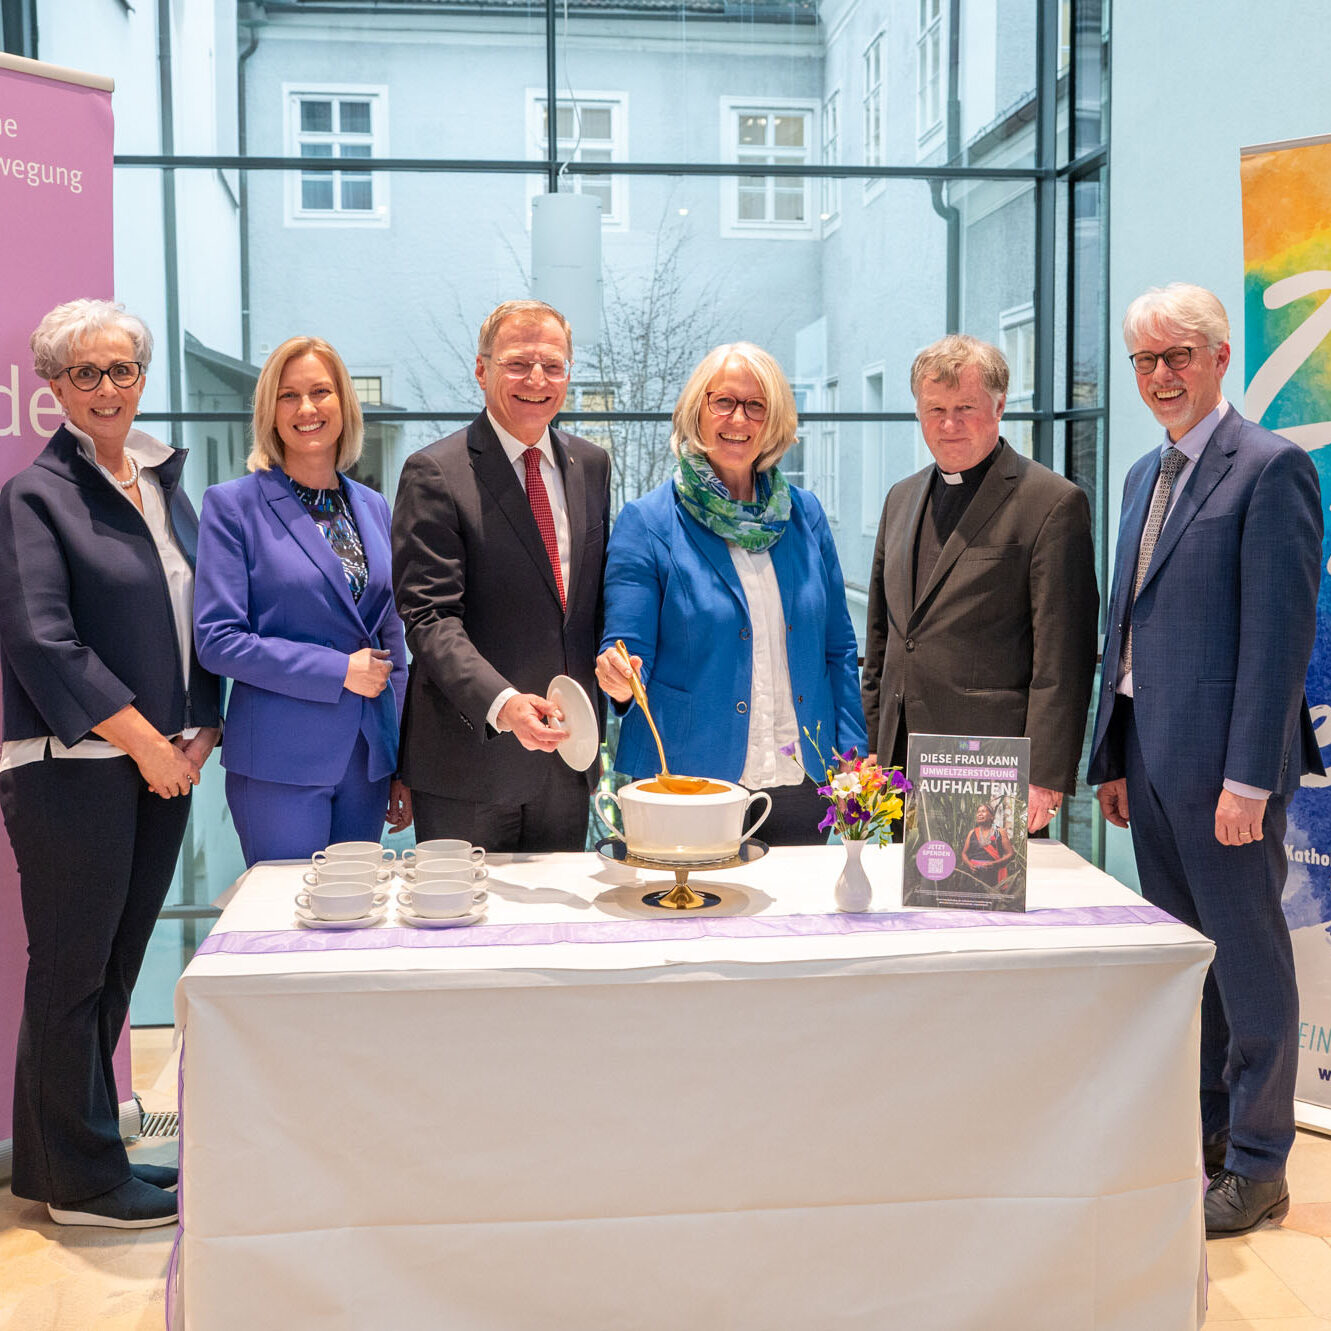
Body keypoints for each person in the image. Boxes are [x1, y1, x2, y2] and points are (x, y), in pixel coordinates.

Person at [1087, 283, 1323, 1237]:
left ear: (1220, 356)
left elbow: (1279, 637)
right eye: (1143, 360)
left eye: (1176, 355)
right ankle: (1212, 1139)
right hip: (1146, 758)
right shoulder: (1146, 471)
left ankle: (1262, 1163)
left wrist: (1247, 782)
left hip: (1227, 773)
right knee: (1193, 960)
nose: (1158, 376)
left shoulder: (1270, 468)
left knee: (1250, 959)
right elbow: (1127, 623)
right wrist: (1111, 751)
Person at [0, 299, 222, 1228]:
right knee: (71, 968)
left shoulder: (167, 483)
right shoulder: (34, 497)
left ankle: (70, 1159)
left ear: (141, 378)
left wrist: (201, 729)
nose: (106, 388)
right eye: (84, 374)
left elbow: (203, 618)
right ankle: (82, 1181)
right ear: (53, 388)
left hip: (157, 762)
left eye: (121, 370)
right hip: (71, 765)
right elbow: (41, 641)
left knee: (114, 965)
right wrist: (143, 742)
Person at [595, 342, 866, 844]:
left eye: (755, 405)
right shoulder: (648, 522)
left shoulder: (805, 516)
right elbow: (628, 651)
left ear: (773, 421)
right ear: (697, 410)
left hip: (802, 778)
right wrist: (620, 676)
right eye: (723, 402)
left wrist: (850, 759)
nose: (738, 418)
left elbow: (839, 650)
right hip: (686, 782)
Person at [392, 300, 610, 851]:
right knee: (460, 932)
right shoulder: (435, 472)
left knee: (556, 936)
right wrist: (504, 703)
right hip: (469, 763)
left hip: (566, 759)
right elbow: (429, 618)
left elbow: (588, 605)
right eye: (518, 363)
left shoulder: (592, 465)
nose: (537, 379)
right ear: (482, 369)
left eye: (553, 365)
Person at [862, 334, 1098, 832]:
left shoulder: (1052, 503)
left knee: (981, 909)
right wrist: (872, 750)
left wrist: (1045, 774)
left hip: (993, 769)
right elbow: (883, 641)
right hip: (898, 763)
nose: (949, 425)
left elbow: (1063, 658)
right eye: (935, 409)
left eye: (965, 407)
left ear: (999, 406)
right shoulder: (900, 499)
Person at [193, 337, 410, 865]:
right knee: (287, 930)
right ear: (270, 411)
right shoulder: (232, 507)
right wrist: (338, 669)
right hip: (278, 763)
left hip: (366, 762)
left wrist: (402, 760)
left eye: (321, 392)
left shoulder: (373, 506)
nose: (307, 408)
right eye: (289, 396)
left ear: (344, 404)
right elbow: (218, 642)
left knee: (356, 922)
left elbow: (392, 639)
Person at [960, 803, 1014, 889]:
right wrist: (970, 864)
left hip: (993, 875)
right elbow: (964, 853)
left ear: (991, 816)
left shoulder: (1000, 832)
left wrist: (995, 863)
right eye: (978, 812)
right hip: (974, 875)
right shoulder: (972, 833)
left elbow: (1010, 853)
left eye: (983, 811)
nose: (979, 814)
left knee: (992, 900)